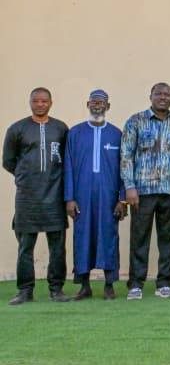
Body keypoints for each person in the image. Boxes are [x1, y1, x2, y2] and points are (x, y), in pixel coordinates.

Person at [3, 88, 71, 305]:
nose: (40, 104)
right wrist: (27, 178)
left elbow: (67, 160)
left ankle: (56, 289)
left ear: (51, 102)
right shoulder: (17, 129)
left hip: (55, 194)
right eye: (36, 101)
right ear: (30, 102)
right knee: (25, 246)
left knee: (58, 246)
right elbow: (8, 161)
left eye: (44, 101)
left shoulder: (60, 128)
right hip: (27, 197)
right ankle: (25, 290)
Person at [121, 82, 170, 300]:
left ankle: (164, 283)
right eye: (159, 94)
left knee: (167, 240)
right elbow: (126, 156)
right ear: (151, 96)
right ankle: (136, 284)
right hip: (142, 192)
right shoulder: (135, 121)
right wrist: (129, 187)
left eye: (167, 94)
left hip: (169, 191)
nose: (163, 98)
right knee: (139, 239)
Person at [64, 89, 126, 301]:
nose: (97, 105)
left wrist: (122, 198)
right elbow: (68, 168)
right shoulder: (75, 133)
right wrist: (69, 198)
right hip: (82, 196)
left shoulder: (117, 134)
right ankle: (84, 285)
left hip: (109, 198)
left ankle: (109, 285)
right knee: (83, 237)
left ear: (108, 106)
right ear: (87, 104)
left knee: (109, 236)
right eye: (94, 102)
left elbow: (124, 169)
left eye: (102, 102)